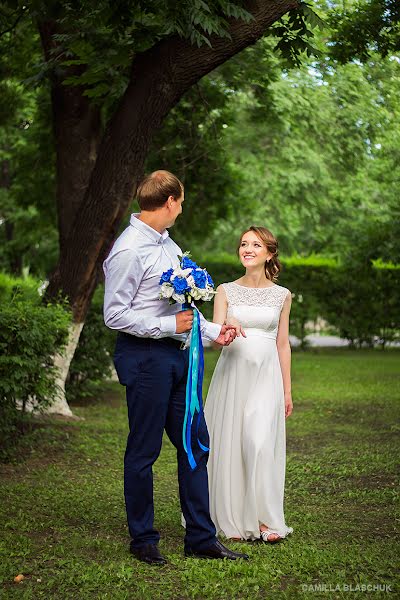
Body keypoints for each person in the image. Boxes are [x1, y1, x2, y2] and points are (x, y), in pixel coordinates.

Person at [103, 170, 249, 565]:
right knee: (144, 451)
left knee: (195, 445)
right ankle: (143, 540)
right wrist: (169, 326)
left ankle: (201, 538)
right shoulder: (129, 250)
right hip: (144, 360)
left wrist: (216, 332)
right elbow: (114, 315)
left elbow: (184, 312)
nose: (181, 209)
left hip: (179, 358)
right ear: (169, 202)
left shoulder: (170, 246)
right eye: (181, 202)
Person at [204, 226, 293, 544]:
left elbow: (283, 344)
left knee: (258, 442)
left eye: (256, 244)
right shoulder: (225, 290)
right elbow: (215, 340)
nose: (248, 248)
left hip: (266, 378)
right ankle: (233, 518)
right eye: (243, 244)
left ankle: (265, 519)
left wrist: (287, 389)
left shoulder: (283, 295)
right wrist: (226, 326)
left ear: (269, 253)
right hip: (233, 376)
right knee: (230, 445)